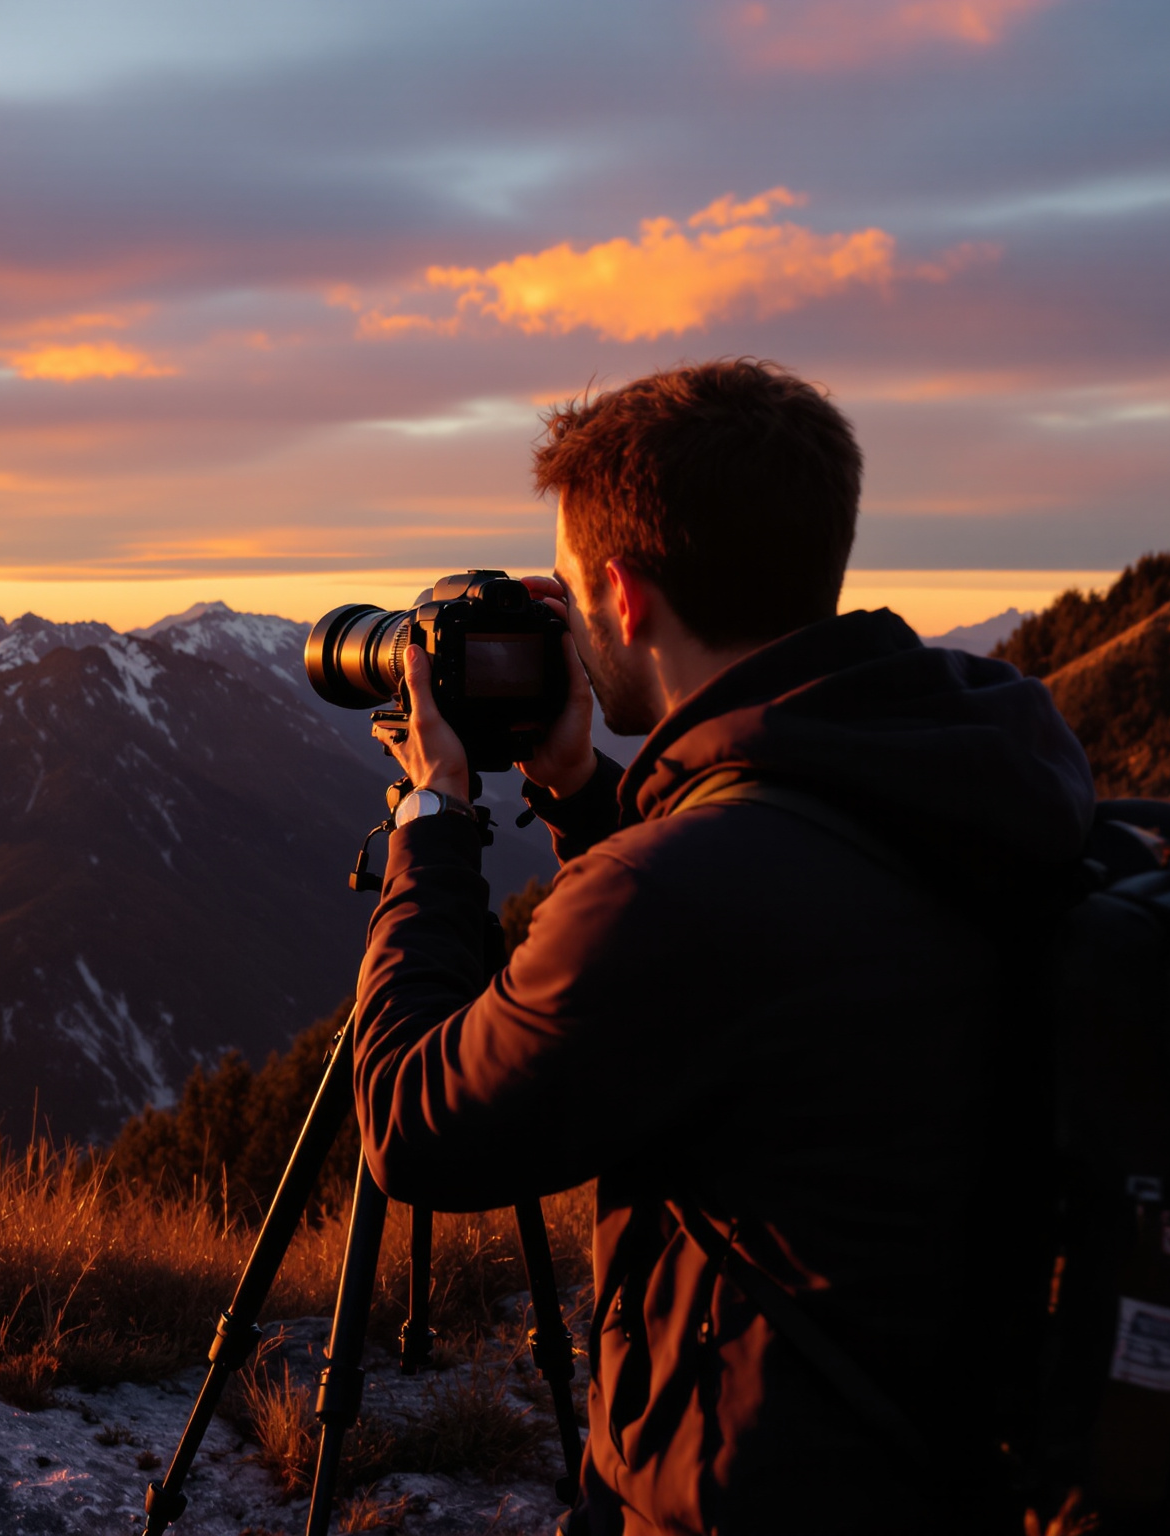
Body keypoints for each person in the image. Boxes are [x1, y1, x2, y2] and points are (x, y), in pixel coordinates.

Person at [350, 358, 1094, 1534]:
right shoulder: (961, 769)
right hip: (971, 1467)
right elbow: (767, 925)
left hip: (750, 1493)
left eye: (573, 595)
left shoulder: (671, 896)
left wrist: (432, 826)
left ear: (626, 597)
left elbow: (412, 1124)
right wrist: (581, 790)